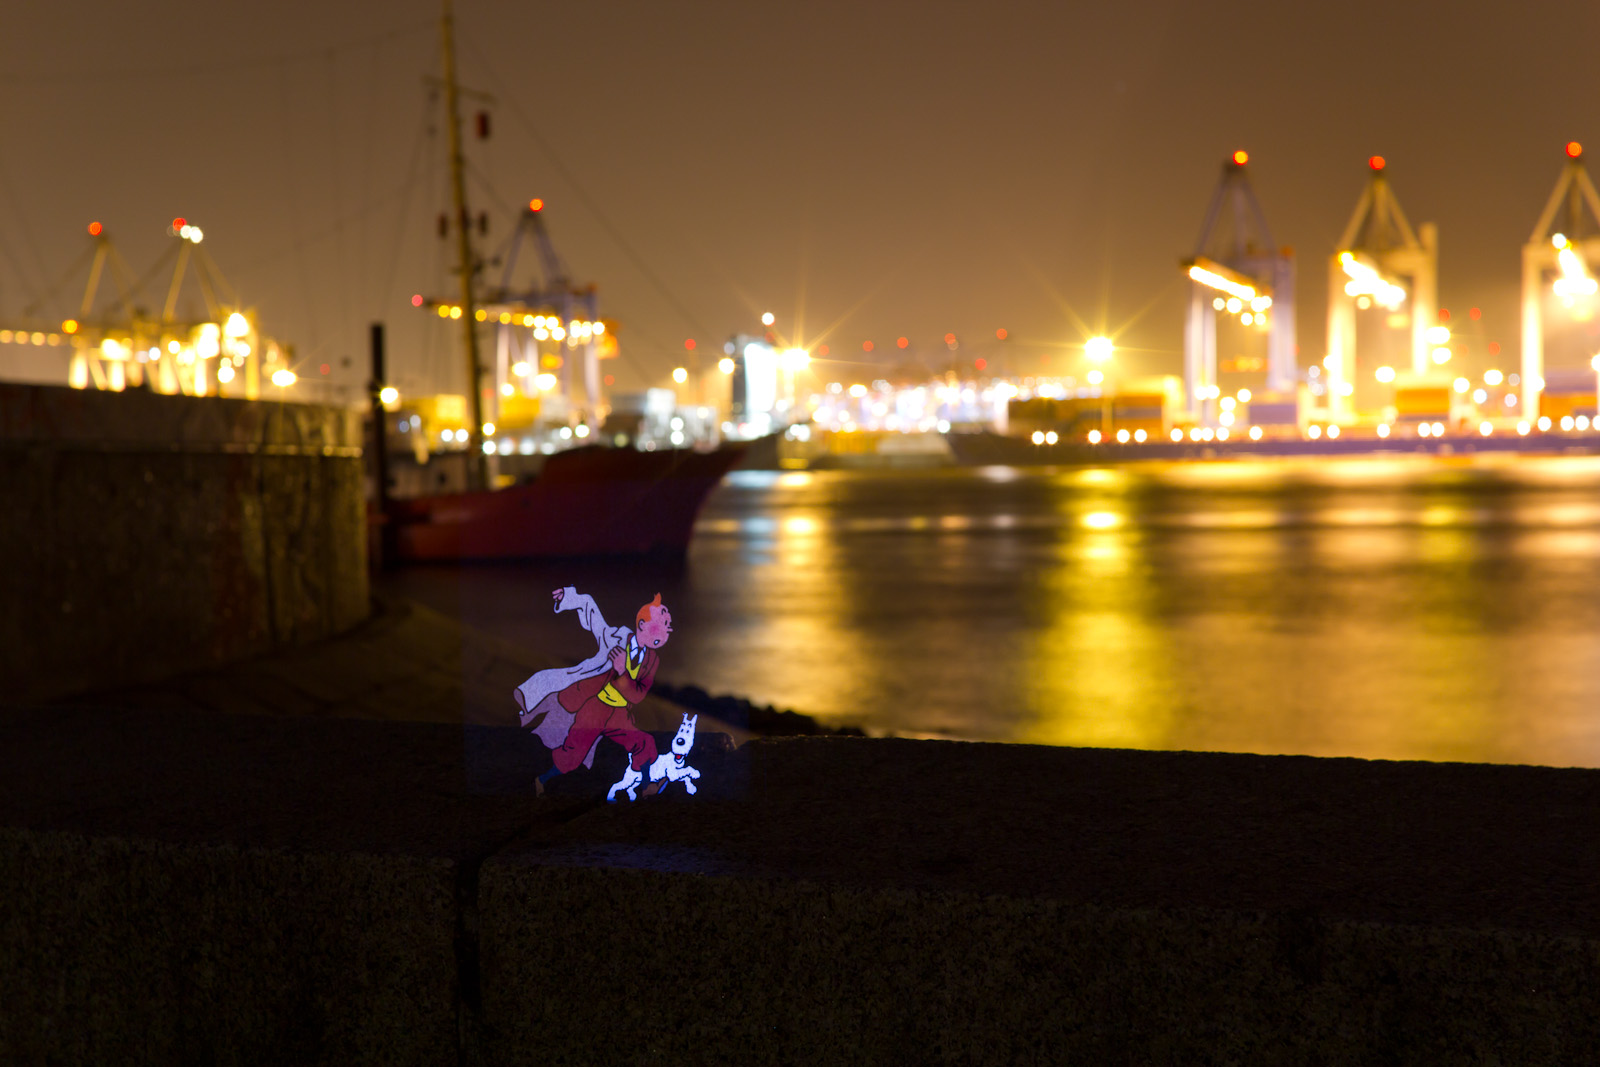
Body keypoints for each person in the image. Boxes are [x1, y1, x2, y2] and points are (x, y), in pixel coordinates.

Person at [514, 587, 673, 796]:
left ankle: (646, 787)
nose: (667, 629)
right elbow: (595, 620)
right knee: (573, 754)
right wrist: (571, 597)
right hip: (595, 708)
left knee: (644, 742)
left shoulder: (652, 660)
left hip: (619, 714)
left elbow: (638, 695)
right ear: (642, 624)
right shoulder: (617, 639)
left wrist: (623, 672)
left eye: (668, 625)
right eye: (663, 623)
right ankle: (541, 780)